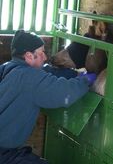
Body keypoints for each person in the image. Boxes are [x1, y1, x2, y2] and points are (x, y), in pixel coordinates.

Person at [0, 30, 96, 164]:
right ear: (29, 56)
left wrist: (74, 75)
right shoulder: (28, 78)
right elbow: (65, 93)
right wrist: (87, 79)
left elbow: (46, 71)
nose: (45, 57)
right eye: (41, 53)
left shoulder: (8, 68)